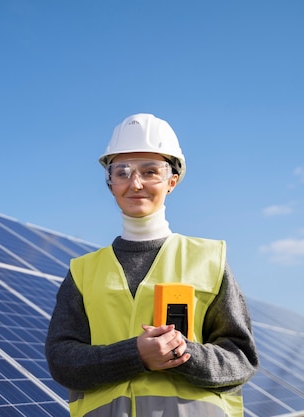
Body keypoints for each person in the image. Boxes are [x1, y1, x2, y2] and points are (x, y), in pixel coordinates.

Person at [45, 113, 259, 417]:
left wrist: (181, 354)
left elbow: (241, 357)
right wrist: (135, 355)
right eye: (122, 172)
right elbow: (62, 360)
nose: (135, 183)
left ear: (171, 181)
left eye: (150, 171)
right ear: (110, 183)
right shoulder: (83, 272)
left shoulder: (209, 259)